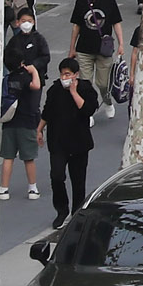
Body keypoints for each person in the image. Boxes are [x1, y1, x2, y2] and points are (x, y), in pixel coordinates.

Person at [39, 58, 98, 231]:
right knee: (57, 176)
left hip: (79, 143)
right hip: (58, 142)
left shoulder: (86, 89)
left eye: (68, 74)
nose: (64, 77)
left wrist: (74, 92)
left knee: (78, 181)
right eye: (62, 74)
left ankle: (77, 213)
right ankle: (61, 210)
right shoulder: (54, 90)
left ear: (75, 75)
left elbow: (88, 110)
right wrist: (39, 130)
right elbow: (47, 112)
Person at [66, 0, 124, 116]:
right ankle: (88, 111)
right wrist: (72, 48)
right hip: (84, 49)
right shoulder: (80, 2)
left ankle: (107, 101)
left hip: (103, 49)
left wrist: (121, 44)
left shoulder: (108, 0)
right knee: (85, 83)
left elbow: (116, 23)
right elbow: (76, 26)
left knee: (103, 83)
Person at [0, 50, 41, 201]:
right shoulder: (25, 77)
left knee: (8, 157)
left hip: (9, 121)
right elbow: (36, 86)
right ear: (21, 63)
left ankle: (3, 189)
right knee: (28, 157)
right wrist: (34, 71)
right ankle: (32, 188)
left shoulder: (7, 79)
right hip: (26, 121)